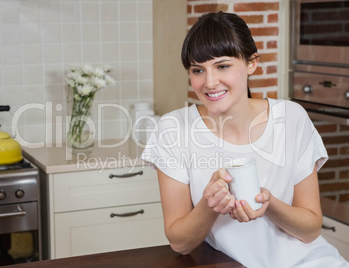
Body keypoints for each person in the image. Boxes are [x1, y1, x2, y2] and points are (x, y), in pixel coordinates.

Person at [141, 11, 349, 268]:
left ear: (251, 63)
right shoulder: (174, 129)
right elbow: (180, 243)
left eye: (223, 66)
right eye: (198, 70)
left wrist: (268, 204)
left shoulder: (291, 118)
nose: (209, 82)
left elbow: (310, 230)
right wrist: (209, 205)